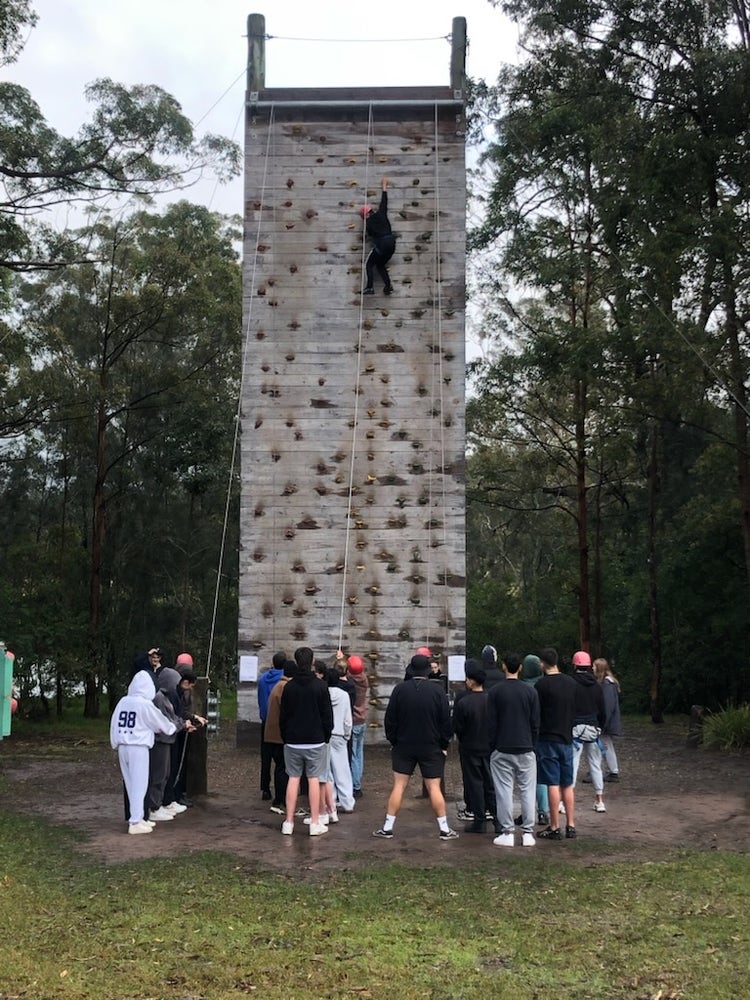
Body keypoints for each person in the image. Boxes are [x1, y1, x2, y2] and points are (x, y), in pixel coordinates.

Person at [373, 653, 458, 841]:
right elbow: (446, 721)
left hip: (404, 745)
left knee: (399, 786)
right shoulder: (437, 692)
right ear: (428, 671)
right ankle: (444, 828)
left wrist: (394, 741)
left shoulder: (400, 690)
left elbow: (390, 720)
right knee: (434, 787)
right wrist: (444, 744)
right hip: (431, 745)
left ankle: (388, 826)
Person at [110, 670, 177, 835]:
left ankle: (138, 818)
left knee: (130, 783)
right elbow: (160, 723)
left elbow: (113, 723)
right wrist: (172, 727)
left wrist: (114, 742)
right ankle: (135, 821)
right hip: (138, 747)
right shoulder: (144, 704)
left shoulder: (123, 701)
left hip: (123, 747)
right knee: (140, 785)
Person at [279, 646, 333, 836]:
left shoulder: (289, 687)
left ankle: (289, 821)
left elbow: (283, 715)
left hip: (293, 739)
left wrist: (285, 736)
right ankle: (315, 822)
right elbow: (327, 715)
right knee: (313, 779)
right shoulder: (320, 686)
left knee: (293, 778)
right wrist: (326, 735)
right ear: (312, 662)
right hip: (315, 739)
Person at [487, 653, 540, 847]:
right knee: (527, 791)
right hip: (526, 746)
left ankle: (507, 831)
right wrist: (532, 743)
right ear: (520, 668)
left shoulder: (494, 691)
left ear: (503, 667)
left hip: (502, 746)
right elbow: (535, 723)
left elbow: (490, 723)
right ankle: (527, 832)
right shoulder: (530, 692)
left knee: (504, 791)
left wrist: (492, 746)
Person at [535, 647, 578, 840]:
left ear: (542, 663)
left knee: (552, 782)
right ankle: (571, 824)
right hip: (566, 738)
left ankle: (554, 826)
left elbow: (537, 713)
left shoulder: (541, 685)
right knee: (567, 784)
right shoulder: (571, 682)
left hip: (547, 738)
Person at [451, 660, 499, 835]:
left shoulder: (464, 702)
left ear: (470, 681)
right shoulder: (492, 699)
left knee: (475, 784)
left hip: (470, 747)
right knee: (491, 783)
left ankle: (479, 820)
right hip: (489, 747)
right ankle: (498, 820)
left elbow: (457, 727)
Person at [146, 667, 194, 822]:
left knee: (165, 773)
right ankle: (154, 806)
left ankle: (159, 803)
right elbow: (166, 720)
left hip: (168, 738)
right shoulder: (159, 698)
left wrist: (183, 724)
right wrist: (182, 725)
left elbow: (173, 717)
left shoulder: (166, 697)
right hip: (161, 740)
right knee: (159, 774)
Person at [570, 650, 607, 812]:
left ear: (575, 665)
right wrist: (601, 727)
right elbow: (603, 710)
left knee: (572, 764)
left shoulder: (571, 684)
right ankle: (599, 800)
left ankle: (566, 801)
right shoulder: (597, 686)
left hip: (575, 728)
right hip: (593, 728)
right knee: (595, 765)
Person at [172, 658, 207, 807]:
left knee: (180, 762)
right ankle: (176, 795)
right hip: (177, 731)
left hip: (182, 727)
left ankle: (178, 794)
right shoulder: (177, 691)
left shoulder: (177, 687)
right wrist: (187, 721)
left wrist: (193, 718)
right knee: (178, 763)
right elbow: (179, 710)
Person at [521, 653, 550, 825]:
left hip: (526, 736)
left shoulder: (524, 687)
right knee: (540, 776)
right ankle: (543, 811)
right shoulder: (545, 685)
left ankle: (527, 812)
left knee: (524, 778)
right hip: (543, 734)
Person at [265, 659, 296, 815]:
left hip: (273, 734)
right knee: (282, 769)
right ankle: (280, 800)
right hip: (279, 735)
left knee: (280, 768)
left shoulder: (279, 685)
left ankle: (280, 799)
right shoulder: (285, 688)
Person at [258, 651, 286, 800]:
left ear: (272, 663)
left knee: (266, 758)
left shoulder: (262, 679)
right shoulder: (283, 681)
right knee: (281, 760)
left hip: (265, 720)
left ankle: (265, 788)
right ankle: (281, 790)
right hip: (279, 723)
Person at [361, 177, 395, 296]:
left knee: (369, 264)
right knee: (380, 264)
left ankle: (370, 287)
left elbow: (370, 235)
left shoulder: (368, 223)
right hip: (391, 243)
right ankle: (387, 286)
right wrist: (384, 187)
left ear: (365, 216)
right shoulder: (381, 213)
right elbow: (384, 201)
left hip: (382, 244)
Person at [594, 657, 622, 781]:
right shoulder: (608, 684)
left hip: (606, 722)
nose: (593, 668)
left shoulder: (607, 685)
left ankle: (612, 771)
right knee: (604, 745)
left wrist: (603, 722)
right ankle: (608, 770)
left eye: (595, 666)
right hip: (607, 721)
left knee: (604, 745)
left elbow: (607, 706)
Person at [346, 654, 369, 799]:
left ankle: (355, 786)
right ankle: (357, 782)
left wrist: (340, 660)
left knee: (353, 755)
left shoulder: (350, 682)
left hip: (353, 721)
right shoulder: (363, 680)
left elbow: (341, 673)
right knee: (359, 754)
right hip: (362, 721)